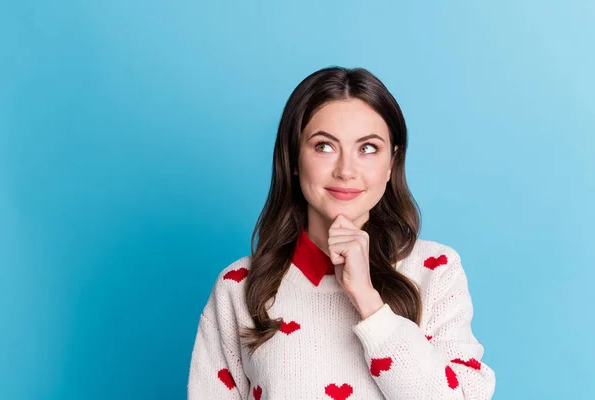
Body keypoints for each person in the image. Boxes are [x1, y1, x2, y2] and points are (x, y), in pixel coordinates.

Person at [187, 66, 496, 399]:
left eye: (367, 148)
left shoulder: (436, 270)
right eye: (324, 146)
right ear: (293, 157)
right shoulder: (239, 285)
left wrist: (369, 302)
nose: (346, 170)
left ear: (392, 163)